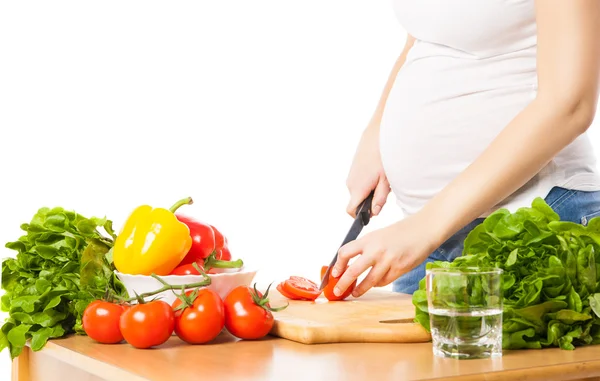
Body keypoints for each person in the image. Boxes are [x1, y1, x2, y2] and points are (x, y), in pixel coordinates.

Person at [331, 0, 600, 297]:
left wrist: (424, 228)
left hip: (530, 229)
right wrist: (375, 134)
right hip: (427, 239)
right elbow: (432, 31)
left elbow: (571, 105)